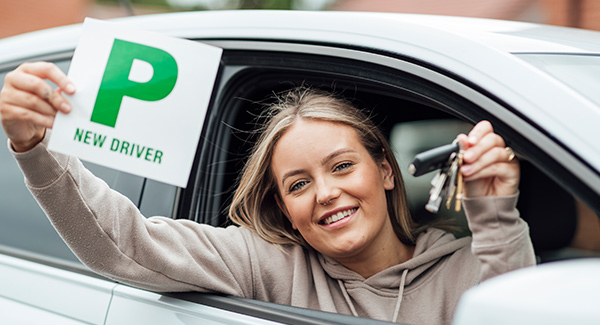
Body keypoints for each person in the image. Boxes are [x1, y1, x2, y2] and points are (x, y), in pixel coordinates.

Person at [1, 62, 535, 324]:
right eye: (298, 184)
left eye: (343, 166)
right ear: (285, 208)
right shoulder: (270, 265)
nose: (325, 193)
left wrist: (494, 215)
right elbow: (125, 243)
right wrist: (37, 147)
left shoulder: (472, 268)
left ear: (387, 171)